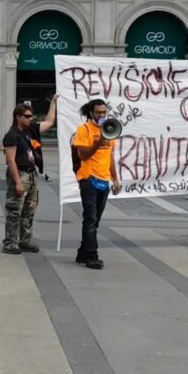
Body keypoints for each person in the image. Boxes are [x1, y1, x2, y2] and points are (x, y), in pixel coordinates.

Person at [1, 95, 57, 254]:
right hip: (20, 173)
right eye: (26, 116)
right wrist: (17, 182)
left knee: (29, 209)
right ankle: (10, 241)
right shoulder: (12, 135)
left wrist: (52, 103)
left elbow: (49, 122)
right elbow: (11, 161)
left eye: (31, 116)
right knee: (14, 210)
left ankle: (25, 239)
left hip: (32, 174)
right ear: (17, 117)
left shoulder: (30, 129)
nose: (29, 118)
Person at [73, 99, 121, 270]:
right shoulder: (84, 129)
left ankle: (82, 252)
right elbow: (83, 155)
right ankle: (92, 256)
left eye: (104, 112)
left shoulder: (110, 129)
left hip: (104, 179)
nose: (102, 115)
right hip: (88, 179)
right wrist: (98, 141)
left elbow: (109, 157)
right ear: (91, 113)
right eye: (99, 112)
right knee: (91, 218)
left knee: (96, 219)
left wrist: (115, 179)